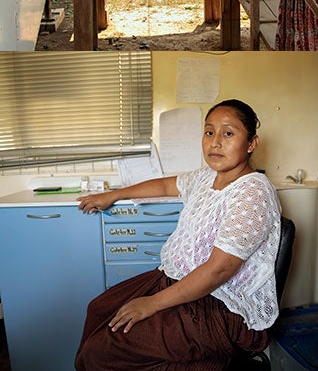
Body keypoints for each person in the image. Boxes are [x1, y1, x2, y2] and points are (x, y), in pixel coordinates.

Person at [74, 100, 281, 371]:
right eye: (209, 132)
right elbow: (164, 184)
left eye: (228, 133)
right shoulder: (207, 177)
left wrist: (152, 304)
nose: (215, 142)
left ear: (251, 143)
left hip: (220, 304)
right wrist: (113, 195)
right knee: (98, 309)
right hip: (177, 279)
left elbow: (219, 271)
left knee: (102, 352)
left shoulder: (253, 192)